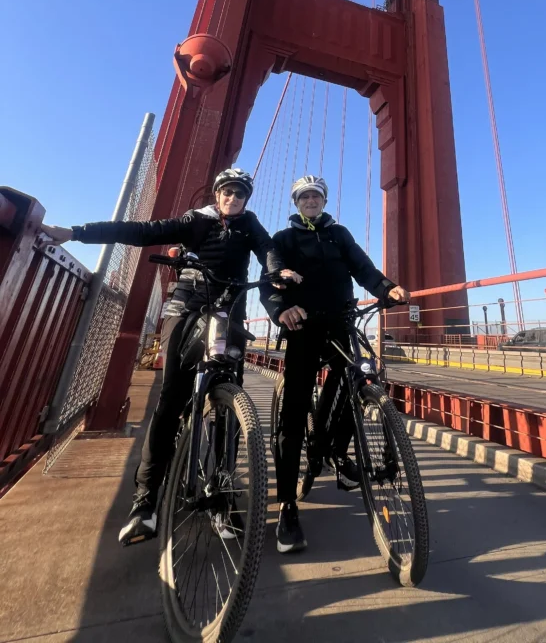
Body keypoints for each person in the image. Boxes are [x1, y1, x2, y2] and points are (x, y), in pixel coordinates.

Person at [42, 167, 301, 546]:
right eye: (227, 192)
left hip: (229, 311)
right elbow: (143, 232)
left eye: (240, 194)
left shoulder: (250, 224)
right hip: (188, 307)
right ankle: (145, 502)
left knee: (231, 407)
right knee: (171, 398)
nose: (233, 198)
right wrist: (76, 233)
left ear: (246, 199)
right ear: (217, 194)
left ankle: (221, 496)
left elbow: (267, 249)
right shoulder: (196, 220)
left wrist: (278, 270)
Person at [262, 174, 409, 555]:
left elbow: (363, 267)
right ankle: (287, 506)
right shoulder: (283, 239)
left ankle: (335, 451)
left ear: (324, 201)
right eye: (304, 197)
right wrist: (281, 310)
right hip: (303, 325)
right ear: (296, 203)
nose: (311, 201)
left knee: (355, 378)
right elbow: (270, 279)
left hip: (341, 321)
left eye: (316, 196)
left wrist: (386, 288)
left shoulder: (339, 234)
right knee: (294, 413)